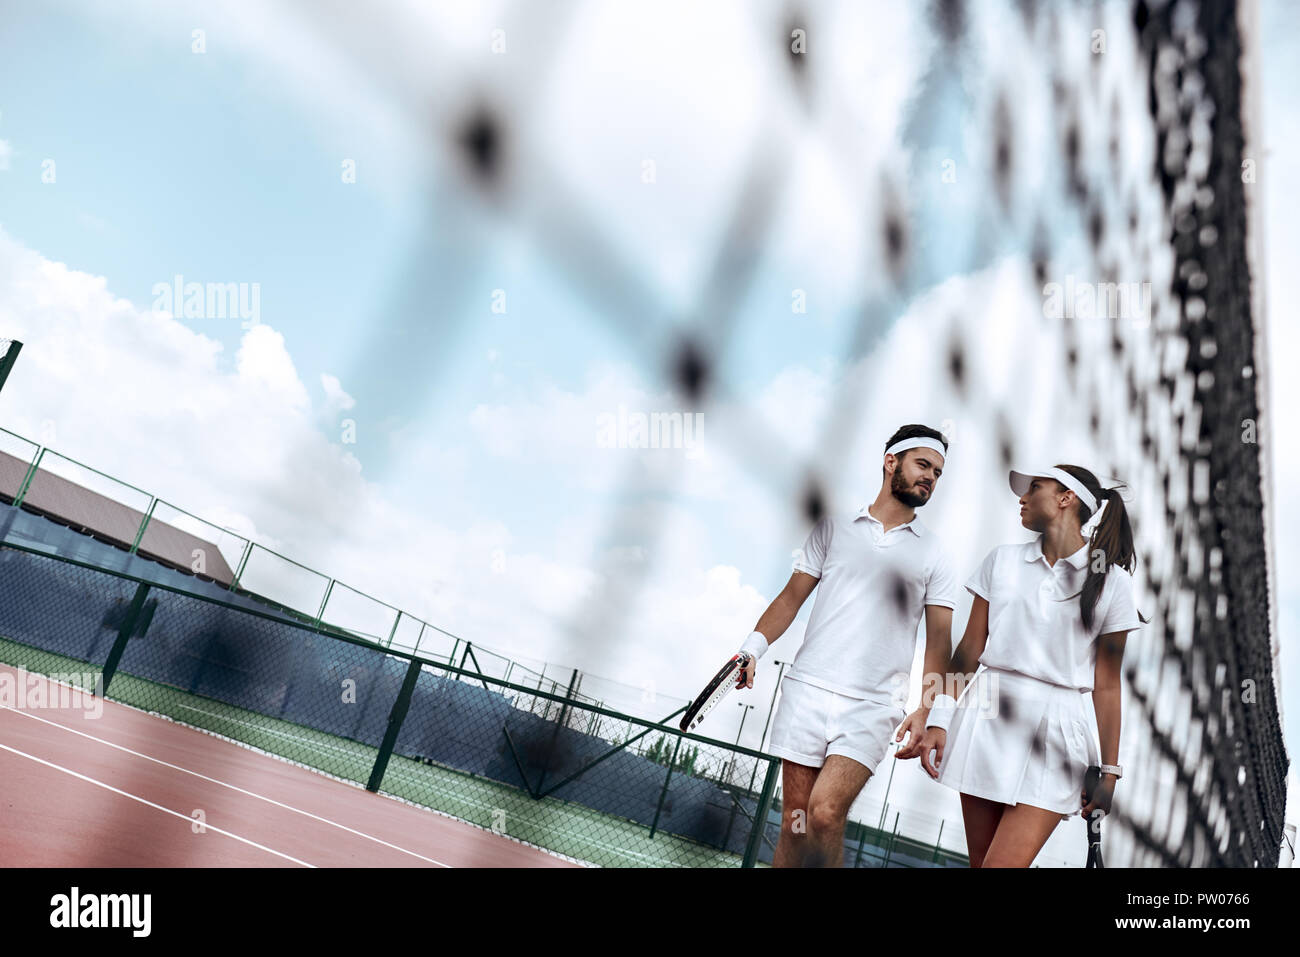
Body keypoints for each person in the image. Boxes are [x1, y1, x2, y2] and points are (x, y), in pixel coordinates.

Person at [899, 464, 1147, 867]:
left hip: (1059, 733)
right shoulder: (1001, 560)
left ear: (1066, 498)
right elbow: (967, 652)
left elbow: (1107, 685)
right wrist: (938, 719)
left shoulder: (1113, 582)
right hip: (987, 716)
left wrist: (1110, 773)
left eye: (1035, 488)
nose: (1023, 497)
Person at [736, 424, 959, 867]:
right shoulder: (832, 529)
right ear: (890, 462)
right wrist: (752, 648)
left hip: (873, 706)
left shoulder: (936, 554)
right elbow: (790, 598)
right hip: (806, 691)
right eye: (922, 464)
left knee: (825, 813)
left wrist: (927, 710)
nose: (931, 477)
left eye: (937, 471)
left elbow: (939, 645)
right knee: (796, 822)